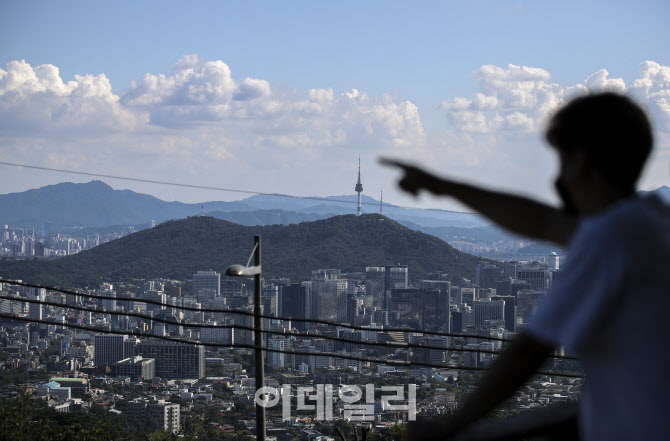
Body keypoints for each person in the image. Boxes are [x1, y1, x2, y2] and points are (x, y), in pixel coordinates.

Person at [381, 92, 670, 440]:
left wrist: (449, 426)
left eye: (560, 159)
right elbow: (544, 221)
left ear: (579, 161)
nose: (557, 177)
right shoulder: (651, 221)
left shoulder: (611, 237)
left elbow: (528, 352)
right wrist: (440, 186)